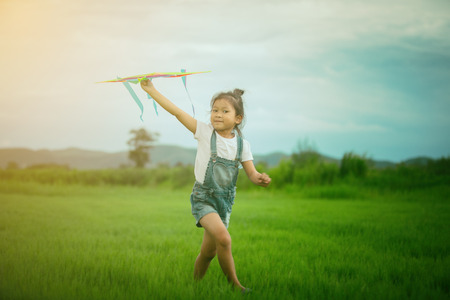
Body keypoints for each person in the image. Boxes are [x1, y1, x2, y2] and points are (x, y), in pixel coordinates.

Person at [140, 79, 271, 293]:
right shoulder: (204, 132)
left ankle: (195, 287)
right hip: (204, 198)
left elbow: (252, 173)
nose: (217, 114)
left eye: (224, 111)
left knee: (208, 253)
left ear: (238, 118)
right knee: (224, 239)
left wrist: (261, 179)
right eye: (214, 110)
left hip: (224, 203)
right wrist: (151, 90)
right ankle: (236, 286)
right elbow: (178, 113)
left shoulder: (242, 145)